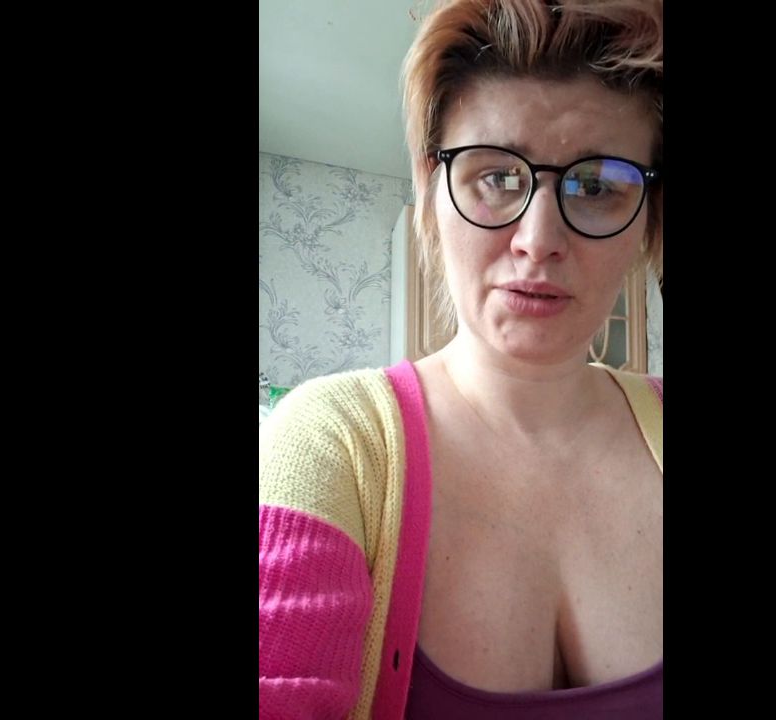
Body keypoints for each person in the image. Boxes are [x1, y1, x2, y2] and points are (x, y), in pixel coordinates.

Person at [259, 0, 663, 717]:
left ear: (647, 221)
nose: (538, 241)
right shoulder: (326, 441)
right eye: (498, 177)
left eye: (596, 185)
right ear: (430, 186)